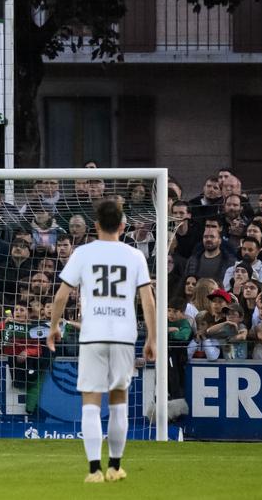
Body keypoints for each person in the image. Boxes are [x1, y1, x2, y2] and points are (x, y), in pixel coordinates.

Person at [52, 195, 156, 483]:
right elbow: (147, 299)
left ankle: (94, 470)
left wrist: (53, 327)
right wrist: (153, 338)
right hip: (124, 336)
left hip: (92, 335)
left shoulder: (83, 253)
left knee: (91, 401)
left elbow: (61, 295)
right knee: (119, 399)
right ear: (122, 225)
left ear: (95, 225)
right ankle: (115, 466)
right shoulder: (135, 256)